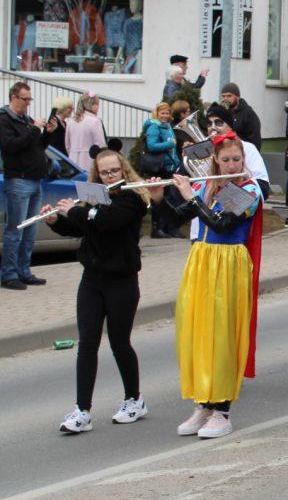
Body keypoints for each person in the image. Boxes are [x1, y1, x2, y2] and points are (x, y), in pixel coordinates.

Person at [149, 134, 263, 438]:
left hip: (228, 263)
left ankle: (222, 411)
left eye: (236, 159)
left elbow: (221, 224)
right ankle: (204, 403)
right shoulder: (207, 186)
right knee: (198, 331)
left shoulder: (248, 190)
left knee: (221, 336)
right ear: (216, 161)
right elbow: (175, 220)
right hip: (201, 260)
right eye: (225, 160)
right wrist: (158, 198)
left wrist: (190, 196)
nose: (231, 165)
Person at [45, 148, 150, 433]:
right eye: (104, 173)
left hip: (122, 282)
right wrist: (57, 221)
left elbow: (108, 221)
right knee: (87, 343)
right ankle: (82, 411)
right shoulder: (93, 197)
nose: (110, 176)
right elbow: (80, 227)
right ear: (97, 175)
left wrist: (77, 210)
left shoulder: (131, 198)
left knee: (119, 343)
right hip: (92, 280)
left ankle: (134, 399)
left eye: (114, 171)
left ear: (123, 170)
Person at [0, 82, 55, 289]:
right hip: (18, 181)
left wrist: (48, 133)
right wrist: (33, 129)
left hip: (35, 180)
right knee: (15, 231)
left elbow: (38, 147)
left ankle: (24, 271)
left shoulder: (26, 120)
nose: (28, 103)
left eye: (30, 99)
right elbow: (10, 146)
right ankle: (9, 274)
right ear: (14, 97)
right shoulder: (4, 119)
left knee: (30, 231)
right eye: (25, 99)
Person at [142, 103, 182, 238]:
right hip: (160, 167)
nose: (165, 116)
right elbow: (151, 146)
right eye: (162, 113)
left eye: (167, 113)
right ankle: (156, 228)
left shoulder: (168, 126)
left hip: (170, 166)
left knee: (170, 197)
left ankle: (168, 227)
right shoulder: (154, 126)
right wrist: (169, 144)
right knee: (158, 198)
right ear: (157, 113)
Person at [65, 92, 106, 169]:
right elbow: (100, 144)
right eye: (97, 104)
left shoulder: (70, 121)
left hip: (72, 159)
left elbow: (67, 145)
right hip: (89, 160)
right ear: (91, 105)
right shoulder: (95, 121)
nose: (98, 107)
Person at [220, 83, 262, 149]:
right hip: (226, 150)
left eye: (229, 96)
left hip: (243, 151)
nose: (225, 99)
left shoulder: (248, 114)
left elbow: (255, 141)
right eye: (223, 96)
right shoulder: (224, 111)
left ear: (238, 96)